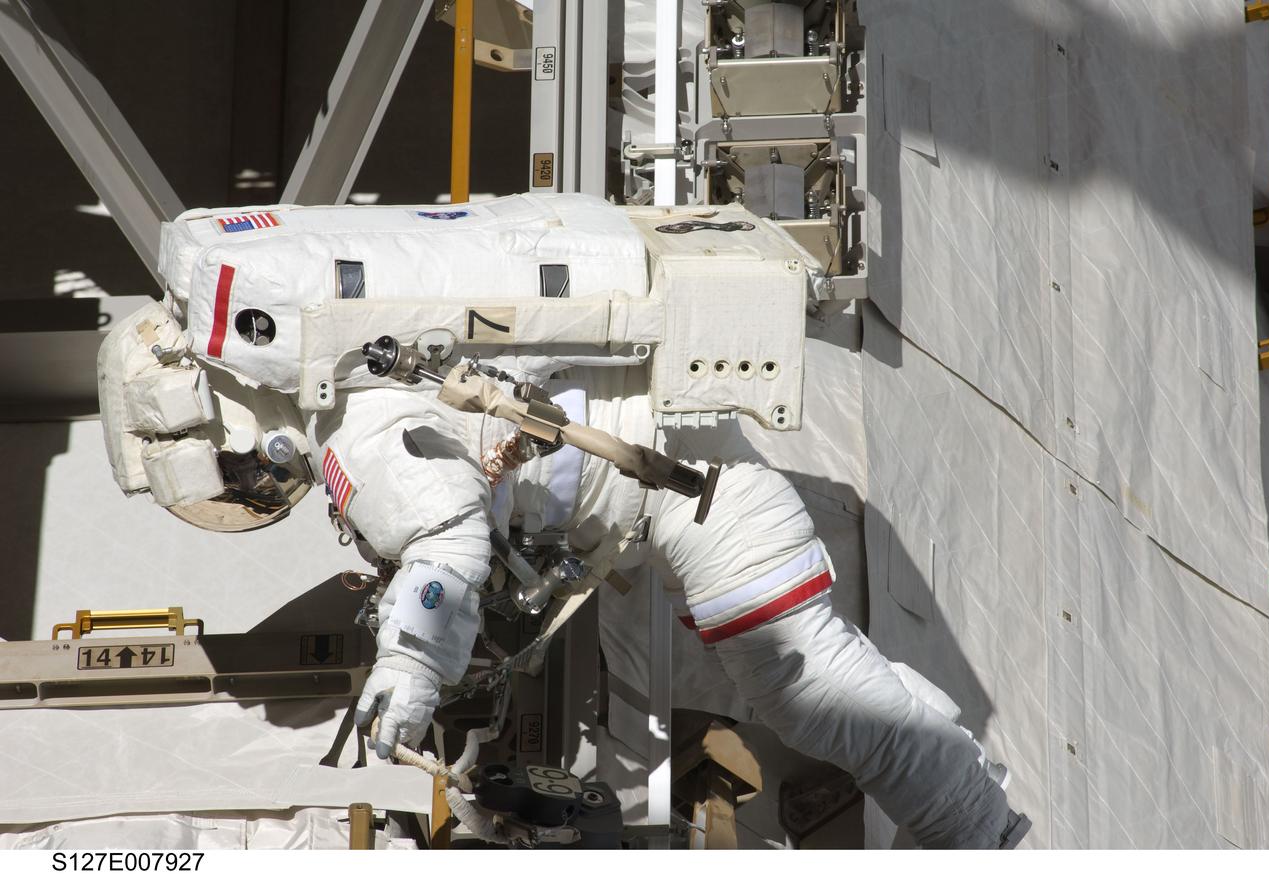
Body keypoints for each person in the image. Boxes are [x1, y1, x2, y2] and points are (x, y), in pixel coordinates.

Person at [97, 194, 1028, 849]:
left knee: (805, 685)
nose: (256, 484)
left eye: (236, 470)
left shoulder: (349, 430)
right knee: (815, 682)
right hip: (664, 478)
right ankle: (951, 790)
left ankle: (971, 825)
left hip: (689, 492)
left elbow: (450, 534)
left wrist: (412, 664)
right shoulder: (351, 378)